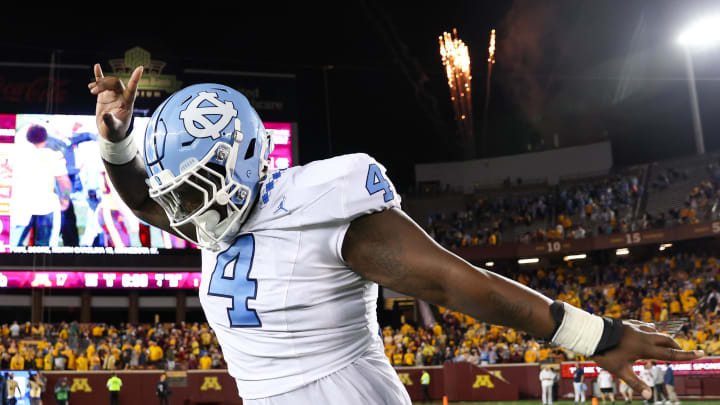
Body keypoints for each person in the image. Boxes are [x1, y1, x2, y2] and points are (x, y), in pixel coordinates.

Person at [88, 64, 703, 405]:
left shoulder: (324, 204)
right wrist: (118, 141)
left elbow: (458, 284)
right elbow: (146, 199)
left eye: (199, 185)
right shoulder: (208, 210)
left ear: (246, 155)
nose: (187, 207)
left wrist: (596, 335)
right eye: (181, 192)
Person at [10, 124, 72, 246]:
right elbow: (65, 183)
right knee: (43, 251)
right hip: (45, 207)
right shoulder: (52, 155)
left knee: (11, 248)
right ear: (45, 139)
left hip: (20, 207)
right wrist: (65, 200)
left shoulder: (16, 154)